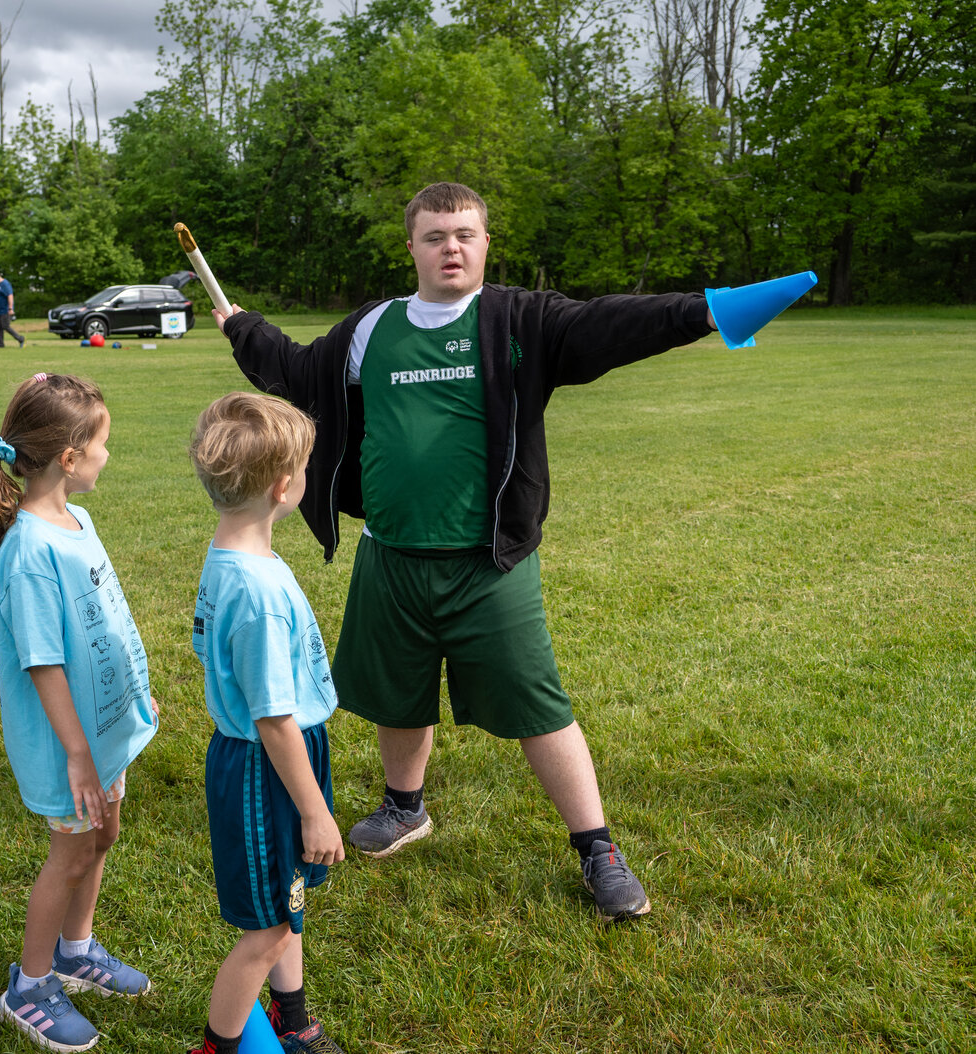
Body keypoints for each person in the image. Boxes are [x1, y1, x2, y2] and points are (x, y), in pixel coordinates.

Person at [215, 181, 723, 922]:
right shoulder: (373, 329)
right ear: (412, 247)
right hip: (389, 555)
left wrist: (707, 309)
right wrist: (243, 328)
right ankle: (404, 807)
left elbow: (616, 324)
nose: (451, 247)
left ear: (485, 243)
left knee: (538, 705)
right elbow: (298, 372)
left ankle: (597, 847)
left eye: (464, 234)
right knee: (396, 692)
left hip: (491, 563)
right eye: (435, 236)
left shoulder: (522, 319)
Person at [0, 372, 157, 1052]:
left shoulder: (78, 522)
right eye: (103, 443)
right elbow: (43, 663)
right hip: (66, 742)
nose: (110, 454)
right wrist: (77, 751)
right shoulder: (30, 549)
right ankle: (31, 984)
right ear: (70, 458)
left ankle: (76, 952)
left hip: (104, 728)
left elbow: (108, 617)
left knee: (102, 837)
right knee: (70, 853)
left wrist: (134, 690)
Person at [187, 392, 348, 1054]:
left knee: (289, 903)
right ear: (285, 487)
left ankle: (293, 1019)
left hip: (276, 755)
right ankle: (220, 1046)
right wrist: (315, 810)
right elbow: (273, 718)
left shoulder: (234, 556)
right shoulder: (255, 592)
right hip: (266, 766)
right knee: (267, 931)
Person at [0, 267, 25, 348]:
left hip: (5, 310)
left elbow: (10, 296)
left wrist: (11, 308)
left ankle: (20, 339)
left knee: (6, 326)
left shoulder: (5, 284)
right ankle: (1, 344)